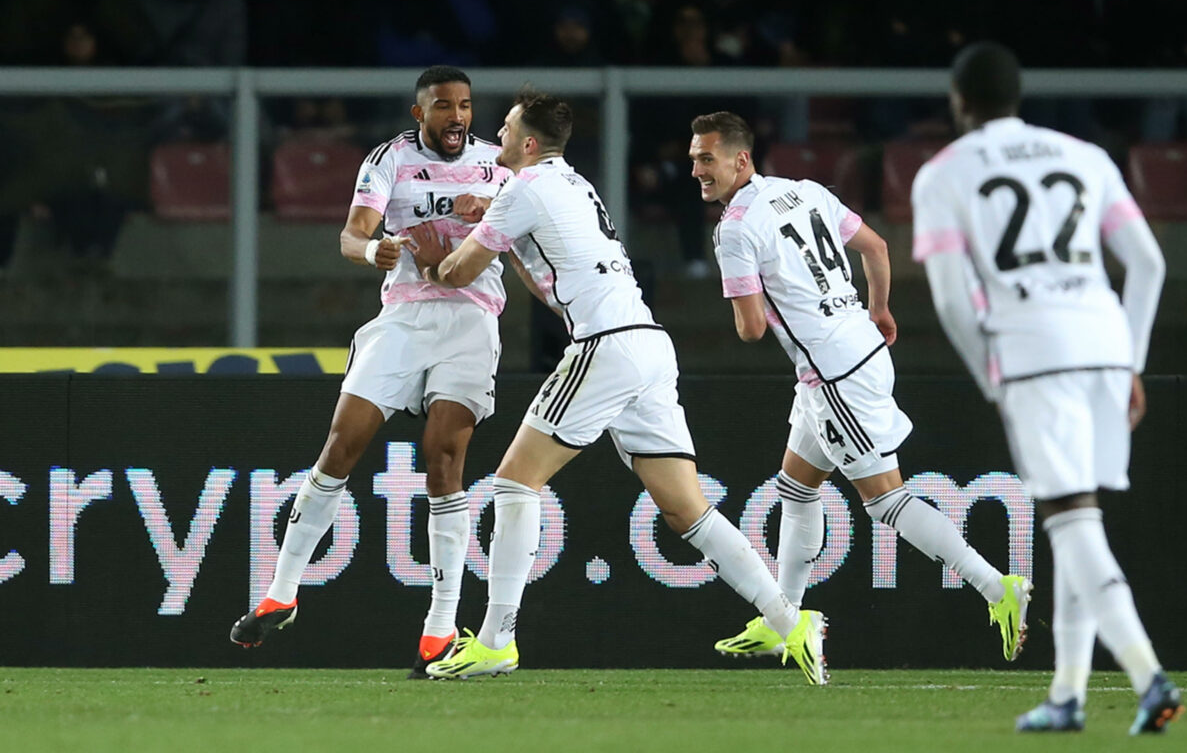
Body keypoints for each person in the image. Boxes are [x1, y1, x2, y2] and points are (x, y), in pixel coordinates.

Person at [404, 88, 827, 683]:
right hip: (647, 343)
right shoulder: (572, 184)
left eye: (503, 128)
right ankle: (790, 621)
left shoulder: (522, 188)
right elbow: (551, 284)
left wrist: (430, 258)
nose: (493, 136)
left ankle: (498, 640)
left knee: (511, 484)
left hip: (605, 343)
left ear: (528, 143)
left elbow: (459, 272)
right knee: (686, 510)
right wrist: (504, 234)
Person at [688, 110, 1032, 665]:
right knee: (795, 488)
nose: (698, 170)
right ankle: (786, 616)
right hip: (851, 355)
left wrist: (752, 301)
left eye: (707, 158)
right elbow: (876, 247)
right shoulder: (805, 191)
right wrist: (879, 308)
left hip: (836, 375)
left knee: (886, 501)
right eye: (694, 160)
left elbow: (750, 330)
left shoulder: (734, 230)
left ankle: (997, 587)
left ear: (740, 159)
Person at [912, 42, 1182, 735]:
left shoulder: (943, 174)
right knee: (1077, 517)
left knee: (1071, 520)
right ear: (1018, 96)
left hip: (1033, 351)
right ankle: (1067, 695)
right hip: (1103, 343)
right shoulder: (1084, 156)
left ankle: (1149, 676)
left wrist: (991, 373)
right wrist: (1132, 363)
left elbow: (948, 299)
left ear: (959, 101)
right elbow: (1148, 264)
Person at [230, 66, 511, 680]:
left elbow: (530, 232)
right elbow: (352, 234)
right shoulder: (387, 159)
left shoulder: (499, 162)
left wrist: (490, 210)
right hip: (403, 318)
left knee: (444, 458)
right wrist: (371, 251)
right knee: (342, 443)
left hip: (471, 321)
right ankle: (281, 592)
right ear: (420, 114)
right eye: (443, 106)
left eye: (464, 105)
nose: (456, 116)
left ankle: (439, 629)